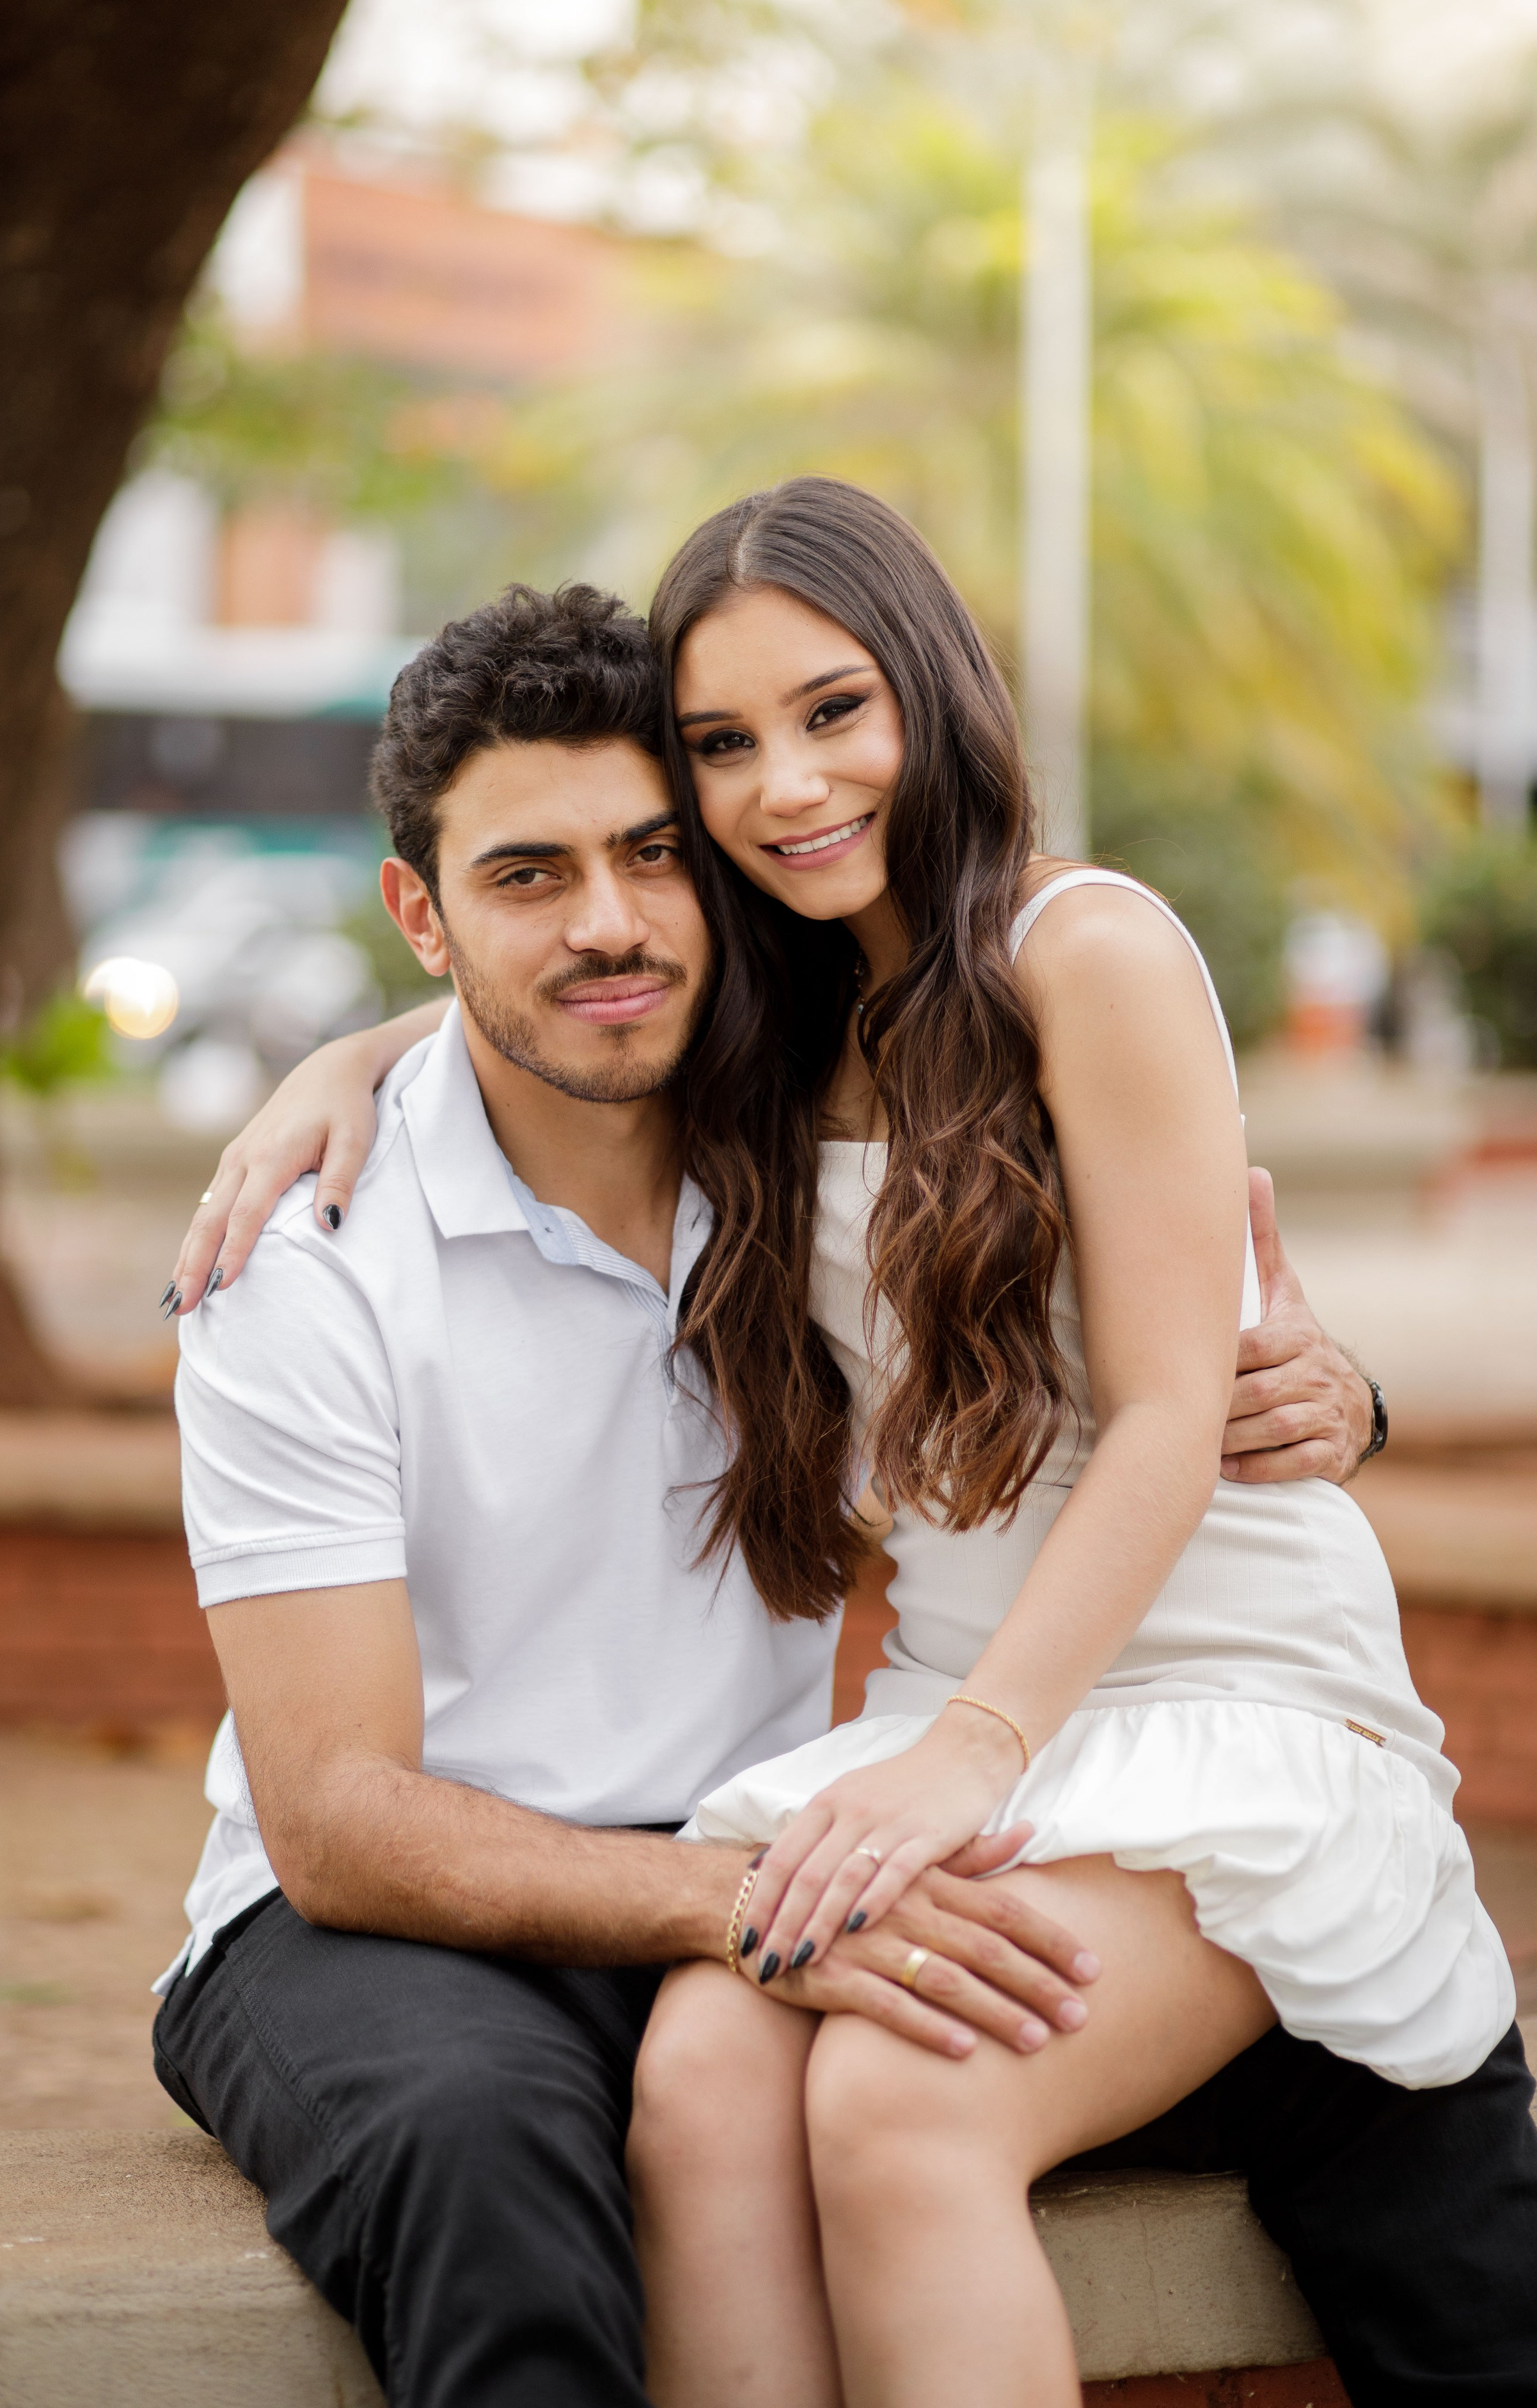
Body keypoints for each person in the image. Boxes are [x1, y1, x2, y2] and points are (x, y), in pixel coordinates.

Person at [155, 542, 1528, 2407]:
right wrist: (347, 1061)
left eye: (832, 712)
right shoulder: (756, 1049)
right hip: (899, 1739)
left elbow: (1162, 1396)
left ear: (930, 690)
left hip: (1196, 1700)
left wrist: (1313, 1389)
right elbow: (568, 994)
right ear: (431, 909)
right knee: (709, 2093)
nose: (785, 785)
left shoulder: (1066, 953)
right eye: (730, 741)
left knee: (896, 2095)